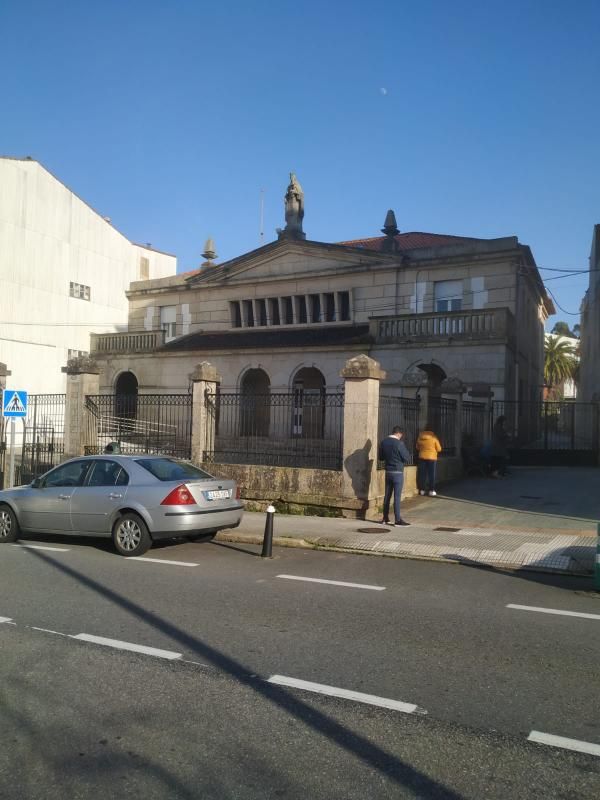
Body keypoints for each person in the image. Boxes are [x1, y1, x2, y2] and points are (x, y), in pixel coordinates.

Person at [378, 426, 411, 526]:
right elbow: (407, 458)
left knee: (387, 496)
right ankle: (397, 520)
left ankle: (385, 518)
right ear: (399, 434)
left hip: (388, 472)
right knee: (397, 497)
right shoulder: (399, 443)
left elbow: (381, 458)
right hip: (398, 473)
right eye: (401, 435)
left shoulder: (384, 442)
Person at [416, 427, 442, 496]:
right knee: (431, 475)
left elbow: (417, 447)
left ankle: (422, 490)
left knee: (422, 474)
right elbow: (439, 449)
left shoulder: (420, 437)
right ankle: (431, 490)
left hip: (421, 457)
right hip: (432, 458)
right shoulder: (434, 438)